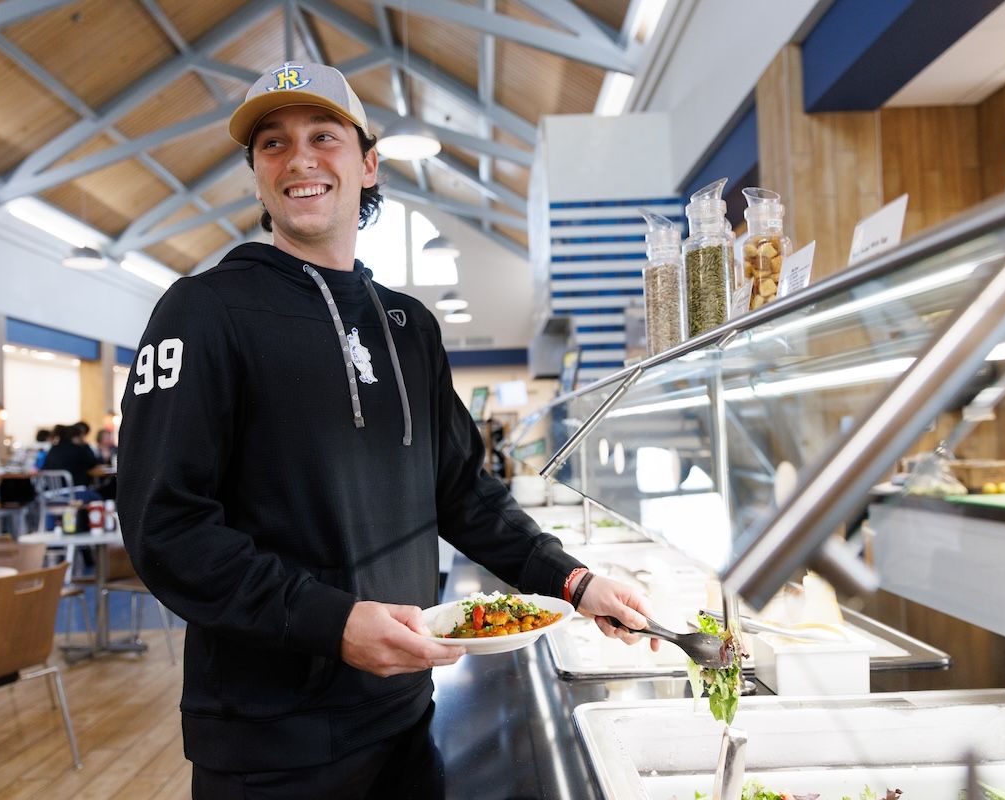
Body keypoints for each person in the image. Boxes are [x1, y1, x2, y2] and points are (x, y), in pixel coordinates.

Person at [118, 62, 658, 800]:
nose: (300, 158)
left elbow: (464, 491)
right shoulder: (203, 312)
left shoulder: (408, 326)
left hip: (405, 711)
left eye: (324, 136)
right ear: (254, 176)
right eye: (272, 144)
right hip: (270, 737)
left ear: (368, 163)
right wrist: (331, 622)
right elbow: (166, 528)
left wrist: (570, 578)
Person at [42, 425, 99, 489]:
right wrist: (85, 445)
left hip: (51, 493)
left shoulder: (53, 449)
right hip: (74, 491)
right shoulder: (78, 450)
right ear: (75, 437)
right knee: (98, 496)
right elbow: (93, 463)